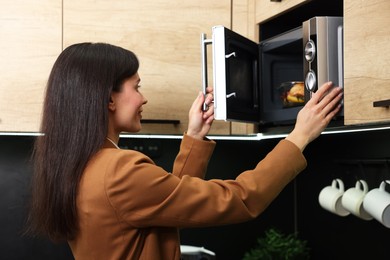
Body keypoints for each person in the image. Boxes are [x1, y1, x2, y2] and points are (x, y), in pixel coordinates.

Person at [26, 42, 343, 259]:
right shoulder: (119, 170)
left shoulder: (80, 164)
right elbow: (241, 199)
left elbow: (168, 205)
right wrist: (298, 137)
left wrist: (194, 137)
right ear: (108, 99)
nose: (143, 98)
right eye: (136, 87)